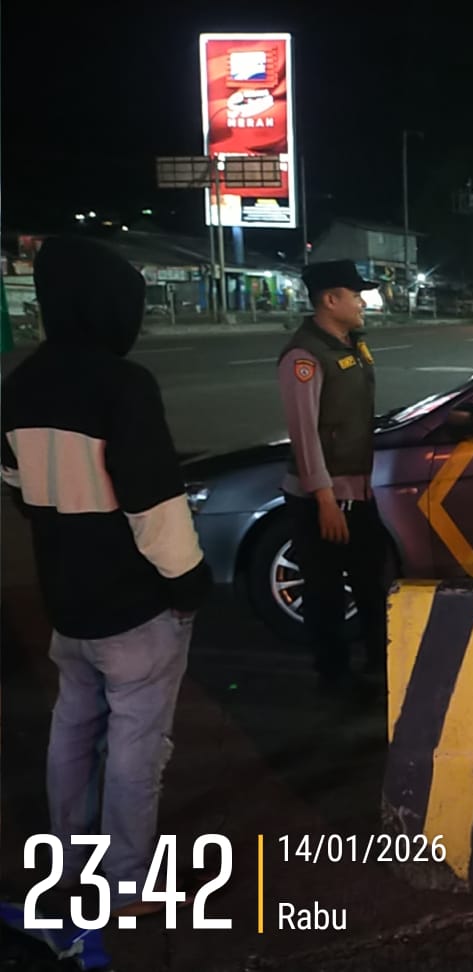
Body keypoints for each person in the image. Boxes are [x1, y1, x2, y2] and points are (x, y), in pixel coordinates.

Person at [0, 237, 212, 916]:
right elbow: (154, 503)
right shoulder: (123, 384)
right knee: (135, 740)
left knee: (73, 727)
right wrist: (188, 584)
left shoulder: (20, 384)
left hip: (65, 597)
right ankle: (126, 884)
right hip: (133, 603)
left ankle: (67, 864)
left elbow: (16, 486)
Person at [277, 260, 387, 696]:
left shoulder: (351, 343)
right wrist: (324, 499)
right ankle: (334, 679)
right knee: (325, 592)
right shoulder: (304, 356)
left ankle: (380, 667)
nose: (362, 302)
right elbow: (304, 434)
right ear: (330, 299)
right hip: (322, 498)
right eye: (355, 295)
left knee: (371, 583)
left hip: (356, 490)